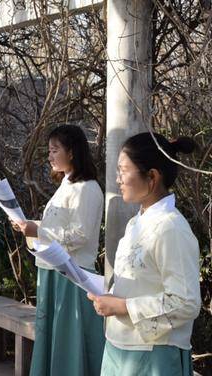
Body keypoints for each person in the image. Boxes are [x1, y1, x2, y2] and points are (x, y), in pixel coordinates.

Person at [88, 132, 201, 376]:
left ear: (151, 176)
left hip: (153, 357)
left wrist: (123, 306)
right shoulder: (136, 223)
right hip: (119, 347)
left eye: (123, 171)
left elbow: (187, 302)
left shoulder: (172, 228)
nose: (117, 179)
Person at [13, 124, 105, 375]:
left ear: (72, 152)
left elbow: (80, 235)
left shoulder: (87, 188)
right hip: (54, 270)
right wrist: (31, 226)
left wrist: (38, 231)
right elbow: (59, 227)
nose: (50, 155)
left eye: (55, 150)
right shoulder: (67, 183)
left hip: (72, 276)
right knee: (54, 338)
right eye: (49, 150)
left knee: (68, 342)